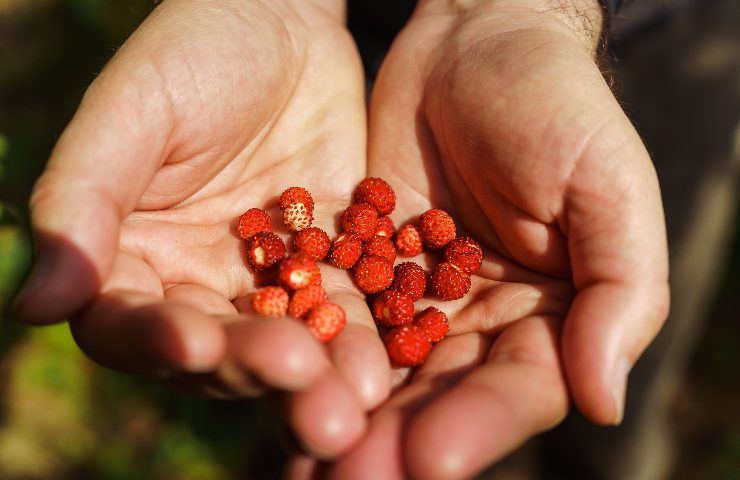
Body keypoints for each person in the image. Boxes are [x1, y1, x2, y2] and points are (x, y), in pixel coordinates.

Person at [12, 0, 677, 478]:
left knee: (602, 377)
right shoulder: (343, 250)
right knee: (322, 407)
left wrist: (520, 13)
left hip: (652, 24)